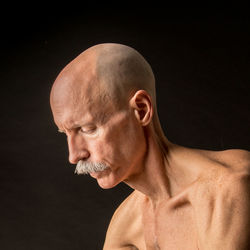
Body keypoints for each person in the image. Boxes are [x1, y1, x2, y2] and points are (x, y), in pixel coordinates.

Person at [50, 43, 250, 250]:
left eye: (88, 128)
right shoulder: (126, 227)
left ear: (141, 109)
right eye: (66, 133)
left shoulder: (226, 190)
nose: (74, 155)